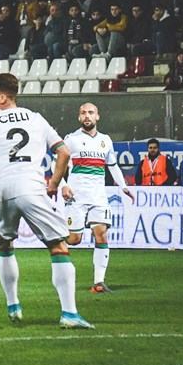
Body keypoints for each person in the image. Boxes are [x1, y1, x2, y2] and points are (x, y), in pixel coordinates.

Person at [0, 73, 94, 329]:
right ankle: (70, 314)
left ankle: (13, 305)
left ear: (2, 98)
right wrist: (54, 183)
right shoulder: (35, 118)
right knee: (58, 247)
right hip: (30, 185)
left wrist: (0, 180)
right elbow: (64, 152)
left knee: (4, 244)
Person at [62, 103, 134, 294]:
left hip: (99, 196)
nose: (87, 116)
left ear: (97, 116)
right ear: (79, 118)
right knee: (74, 239)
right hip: (76, 197)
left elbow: (113, 165)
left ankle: (99, 282)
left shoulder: (105, 140)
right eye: (83, 113)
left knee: (101, 234)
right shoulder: (71, 139)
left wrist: (124, 187)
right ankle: (54, 240)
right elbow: (57, 165)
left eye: (90, 113)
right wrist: (63, 185)